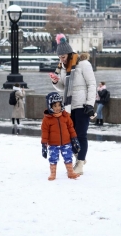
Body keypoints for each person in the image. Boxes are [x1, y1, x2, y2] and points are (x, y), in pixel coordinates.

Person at [49, 34, 96, 176]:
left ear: (69, 54)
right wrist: (56, 81)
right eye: (59, 58)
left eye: (63, 57)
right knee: (70, 136)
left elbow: (92, 84)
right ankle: (79, 158)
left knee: (81, 135)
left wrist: (90, 104)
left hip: (82, 105)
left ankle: (80, 163)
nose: (61, 60)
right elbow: (63, 88)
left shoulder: (83, 64)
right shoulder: (62, 68)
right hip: (69, 106)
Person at [40, 92, 80, 181]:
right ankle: (53, 174)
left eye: (59, 105)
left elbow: (71, 128)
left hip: (66, 143)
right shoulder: (47, 119)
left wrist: (74, 139)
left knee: (68, 157)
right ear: (50, 106)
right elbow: (45, 133)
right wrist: (44, 145)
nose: (57, 108)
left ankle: (70, 172)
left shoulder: (65, 116)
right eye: (55, 106)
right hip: (53, 144)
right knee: (53, 158)